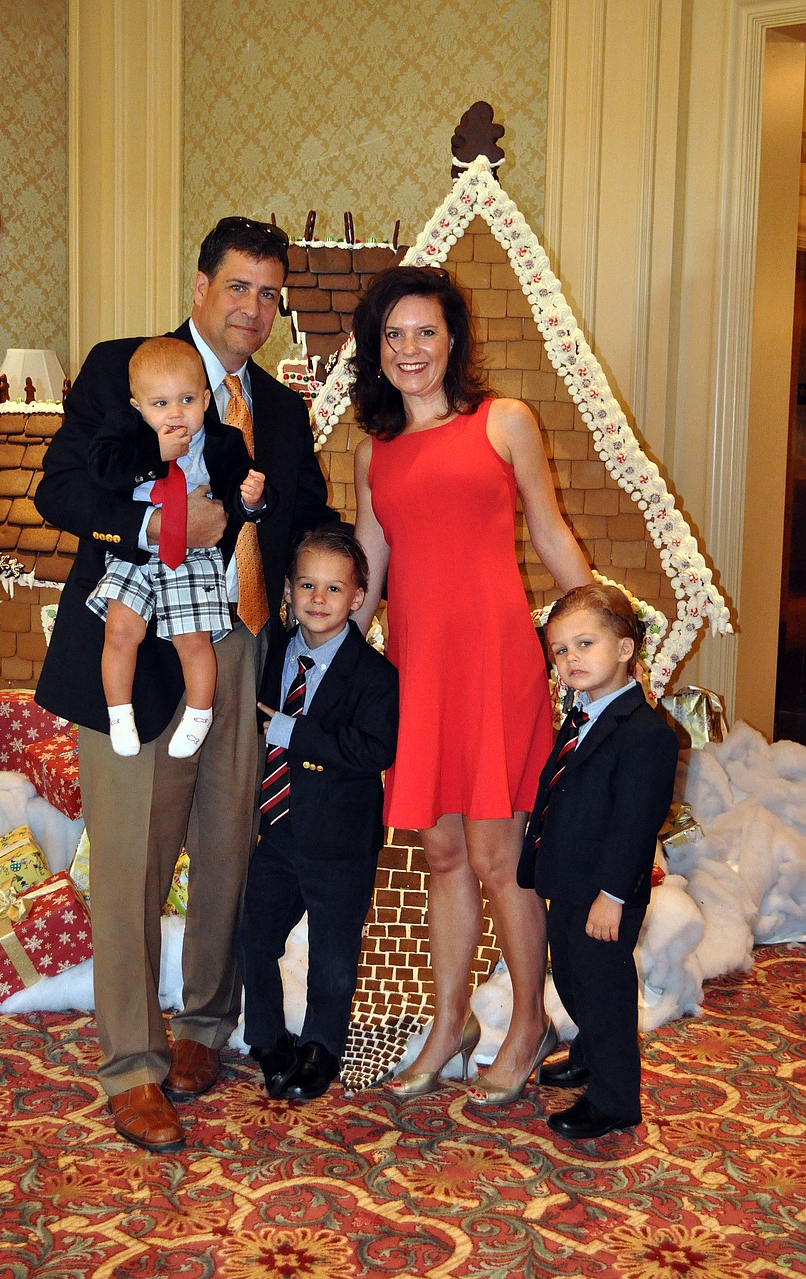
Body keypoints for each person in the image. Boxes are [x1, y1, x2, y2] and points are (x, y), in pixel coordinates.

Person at [35, 217, 340, 1153]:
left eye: (269, 293)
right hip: (142, 645)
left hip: (242, 652)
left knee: (227, 849)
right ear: (200, 284)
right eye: (238, 286)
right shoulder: (125, 370)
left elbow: (308, 516)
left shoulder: (281, 411)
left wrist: (349, 589)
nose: (254, 308)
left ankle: (205, 1026)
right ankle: (132, 1063)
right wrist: (169, 525)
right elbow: (60, 490)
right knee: (130, 865)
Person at [349, 265, 593, 1104]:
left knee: (498, 854)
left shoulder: (504, 421)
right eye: (394, 335)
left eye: (426, 331)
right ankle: (448, 1023)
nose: (411, 349)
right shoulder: (371, 450)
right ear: (374, 349)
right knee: (441, 849)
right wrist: (327, 672)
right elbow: (367, 573)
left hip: (495, 662)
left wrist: (599, 639)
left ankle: (530, 1022)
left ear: (454, 339)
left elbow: (552, 534)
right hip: (417, 670)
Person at [238, 528, 399, 1102]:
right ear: (288, 588)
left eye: (334, 588)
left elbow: (373, 749)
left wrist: (289, 731)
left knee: (333, 953)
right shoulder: (272, 650)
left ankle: (321, 1046)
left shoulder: (376, 676)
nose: (318, 599)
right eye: (307, 584)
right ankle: (265, 1037)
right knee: (255, 937)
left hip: (340, 841)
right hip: (275, 831)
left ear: (358, 597)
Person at [517, 584, 679, 1139]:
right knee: (572, 977)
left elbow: (633, 829)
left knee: (603, 991)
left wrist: (612, 897)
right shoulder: (583, 715)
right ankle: (587, 1051)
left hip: (605, 893)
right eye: (560, 650)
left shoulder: (645, 735)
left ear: (627, 648)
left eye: (585, 643)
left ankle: (614, 1099)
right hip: (571, 882)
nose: (570, 659)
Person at [86, 336, 267, 760]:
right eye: (160, 404)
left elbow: (239, 499)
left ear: (206, 399)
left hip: (193, 555)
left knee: (193, 638)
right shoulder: (127, 434)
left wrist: (252, 499)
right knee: (120, 630)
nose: (175, 414)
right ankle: (118, 711)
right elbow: (101, 471)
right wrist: (155, 451)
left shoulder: (222, 442)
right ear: (137, 407)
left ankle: (199, 713)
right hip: (137, 553)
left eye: (186, 400)